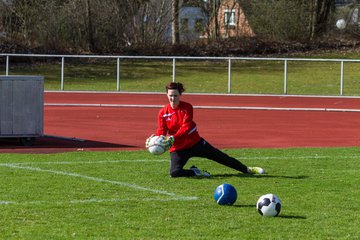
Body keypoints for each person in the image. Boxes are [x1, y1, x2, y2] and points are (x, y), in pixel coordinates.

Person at [146, 82, 265, 178]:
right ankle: (196, 172)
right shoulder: (162, 112)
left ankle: (247, 169)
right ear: (166, 95)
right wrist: (155, 139)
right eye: (170, 95)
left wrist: (173, 137)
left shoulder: (187, 107)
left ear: (180, 95)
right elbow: (161, 131)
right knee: (174, 173)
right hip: (178, 148)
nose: (172, 98)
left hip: (195, 143)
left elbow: (186, 127)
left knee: (221, 157)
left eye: (175, 95)